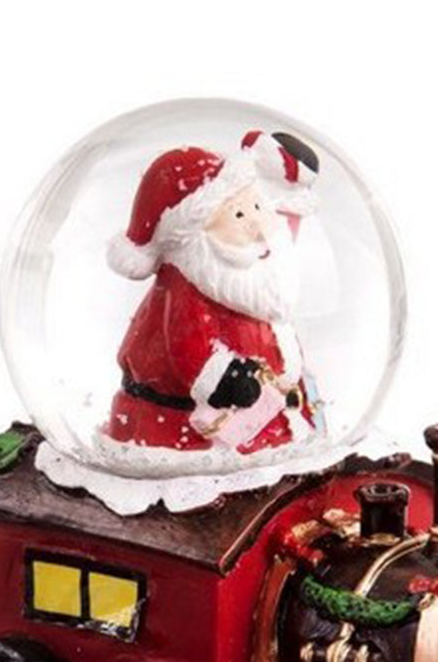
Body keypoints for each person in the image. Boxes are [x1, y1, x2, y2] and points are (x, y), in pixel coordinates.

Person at [105, 131, 319, 454]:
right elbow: (188, 344)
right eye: (238, 215)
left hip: (269, 416)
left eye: (257, 206)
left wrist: (287, 179)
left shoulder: (254, 267)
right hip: (186, 434)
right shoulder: (192, 279)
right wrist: (226, 378)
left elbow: (281, 238)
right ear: (196, 232)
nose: (257, 225)